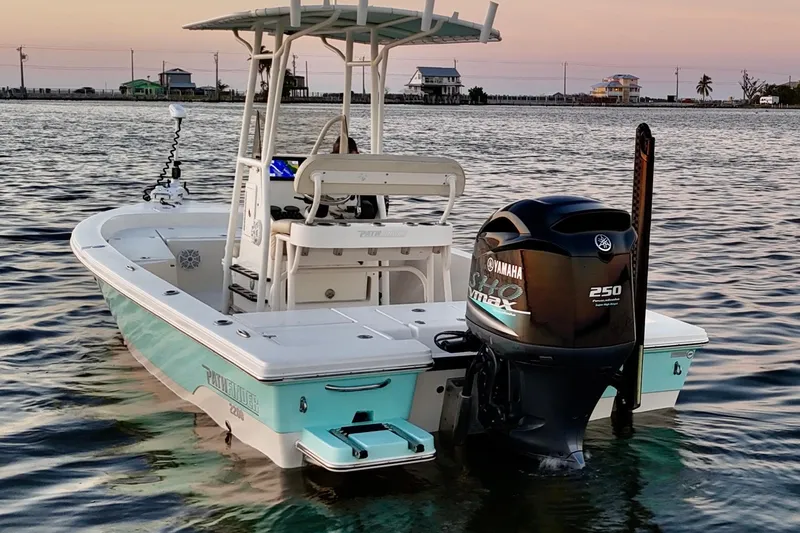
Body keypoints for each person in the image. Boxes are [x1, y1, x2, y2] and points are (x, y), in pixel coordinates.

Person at [331, 135, 389, 219]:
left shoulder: (322, 173)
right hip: (364, 219)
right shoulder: (372, 175)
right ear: (357, 154)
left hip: (327, 218)